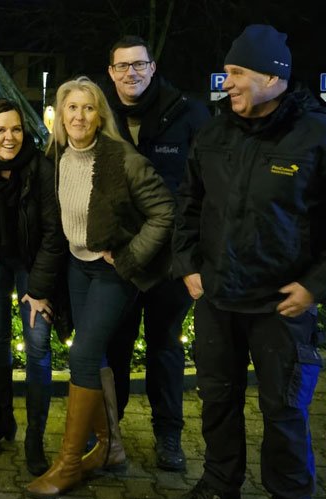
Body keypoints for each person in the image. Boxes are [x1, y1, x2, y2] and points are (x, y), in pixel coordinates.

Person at [172, 25, 326, 499]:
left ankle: (289, 495)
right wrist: (187, 264)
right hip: (218, 301)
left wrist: (314, 287)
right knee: (217, 402)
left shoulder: (323, 136)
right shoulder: (213, 131)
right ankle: (219, 486)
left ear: (272, 76)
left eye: (236, 73)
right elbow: (187, 202)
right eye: (226, 72)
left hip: (280, 310)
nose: (226, 83)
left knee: (284, 411)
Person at [26, 76, 174, 498]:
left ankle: (70, 463)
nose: (79, 116)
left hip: (112, 271)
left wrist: (128, 258)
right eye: (71, 108)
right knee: (96, 355)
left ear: (100, 115)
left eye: (88, 108)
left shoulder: (122, 158)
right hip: (78, 266)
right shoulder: (57, 157)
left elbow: (164, 213)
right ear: (60, 115)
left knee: (84, 355)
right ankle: (110, 448)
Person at [103, 35, 210, 472]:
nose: (131, 73)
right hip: (118, 260)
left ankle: (169, 436)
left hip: (170, 260)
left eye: (139, 65)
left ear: (152, 67)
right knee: (118, 347)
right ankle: (111, 436)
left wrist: (194, 257)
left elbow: (205, 190)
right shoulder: (100, 114)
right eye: (122, 66)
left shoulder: (188, 114)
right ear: (110, 72)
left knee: (165, 347)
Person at [0, 98, 65, 476]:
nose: (10, 137)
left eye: (16, 129)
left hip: (33, 262)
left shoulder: (40, 168)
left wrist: (39, 287)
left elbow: (53, 232)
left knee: (37, 343)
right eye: (1, 130)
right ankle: (3, 419)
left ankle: (35, 436)